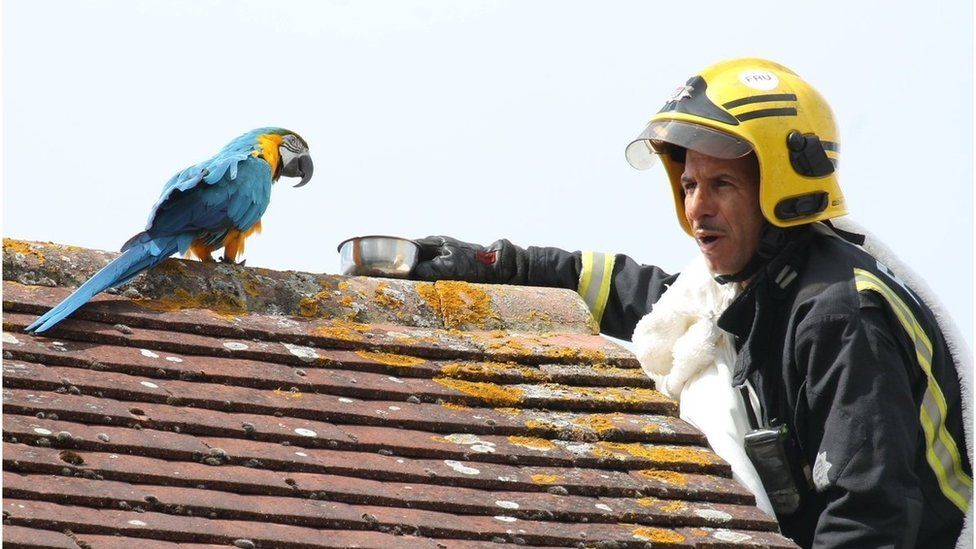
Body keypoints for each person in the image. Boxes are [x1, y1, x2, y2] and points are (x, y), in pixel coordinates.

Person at [410, 58, 972, 548]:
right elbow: (648, 300)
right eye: (688, 185)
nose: (697, 207)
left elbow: (870, 515)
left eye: (722, 183)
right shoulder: (756, 289)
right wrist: (502, 265)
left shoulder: (840, 314)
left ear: (781, 184)